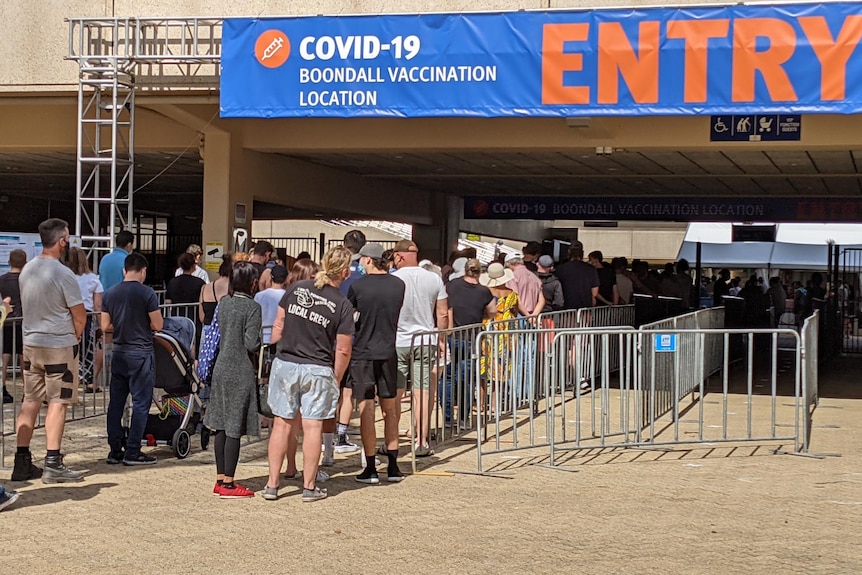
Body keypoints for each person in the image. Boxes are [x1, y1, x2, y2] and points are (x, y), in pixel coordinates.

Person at [264, 248, 354, 502]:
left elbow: (279, 325)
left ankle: (272, 484)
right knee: (312, 427)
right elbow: (344, 349)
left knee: (281, 424)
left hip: (286, 362)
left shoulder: (296, 288)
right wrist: (336, 378)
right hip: (318, 367)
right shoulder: (342, 304)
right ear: (345, 272)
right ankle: (309, 486)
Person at [12, 218, 86, 483]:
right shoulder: (63, 274)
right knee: (58, 401)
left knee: (30, 400)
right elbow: (79, 315)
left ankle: (21, 460)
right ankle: (53, 461)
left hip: (31, 343)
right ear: (62, 241)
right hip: (58, 344)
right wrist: (75, 337)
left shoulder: (27, 269)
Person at [346, 243, 406, 484]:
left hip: (363, 352)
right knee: (390, 409)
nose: (360, 264)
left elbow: (349, 318)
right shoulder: (398, 285)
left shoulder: (358, 286)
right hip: (389, 350)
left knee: (366, 409)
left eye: (362, 260)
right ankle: (393, 464)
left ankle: (370, 466)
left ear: (368, 260)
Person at [204, 262, 262, 498]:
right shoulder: (252, 307)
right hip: (240, 369)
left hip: (221, 367)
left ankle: (220, 478)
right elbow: (251, 343)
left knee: (220, 424)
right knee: (234, 427)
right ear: (252, 283)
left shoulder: (223, 303)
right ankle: (229, 482)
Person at [101, 252, 163, 466]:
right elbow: (158, 325)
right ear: (143, 271)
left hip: (118, 351)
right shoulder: (147, 293)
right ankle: (134, 449)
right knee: (140, 403)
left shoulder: (109, 294)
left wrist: (122, 325)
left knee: (116, 403)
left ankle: (115, 448)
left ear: (124, 270)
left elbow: (104, 326)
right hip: (141, 352)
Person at [392, 239, 449, 457]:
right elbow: (442, 313)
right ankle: (422, 440)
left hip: (399, 340)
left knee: (395, 392)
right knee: (423, 390)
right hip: (425, 339)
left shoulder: (394, 279)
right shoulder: (434, 278)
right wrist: (441, 338)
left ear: (399, 256)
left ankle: (393, 439)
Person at [445, 258, 495, 425]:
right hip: (472, 337)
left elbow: (446, 305)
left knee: (448, 377)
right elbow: (492, 311)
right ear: (480, 272)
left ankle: (447, 416)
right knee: (466, 378)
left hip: (452, 335)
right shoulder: (484, 291)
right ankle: (463, 418)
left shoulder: (452, 285)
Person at [333, 229, 367, 454]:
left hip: (328, 336)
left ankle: (327, 437)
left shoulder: (333, 273)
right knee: (347, 390)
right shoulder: (364, 274)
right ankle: (341, 433)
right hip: (354, 336)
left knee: (331, 388)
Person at [479, 263, 518, 415]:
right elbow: (514, 312)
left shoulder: (486, 292)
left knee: (483, 367)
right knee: (500, 369)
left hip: (487, 330)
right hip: (505, 333)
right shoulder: (512, 294)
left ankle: (481, 402)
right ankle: (495, 404)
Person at [67, 248, 104, 393]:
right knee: (87, 350)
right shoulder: (93, 278)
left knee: (69, 351)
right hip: (86, 316)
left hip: (67, 315)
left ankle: (70, 383)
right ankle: (89, 379)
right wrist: (101, 325)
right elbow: (98, 305)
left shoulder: (66, 277)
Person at [1, 248, 26, 403]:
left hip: (7, 321)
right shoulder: (26, 280)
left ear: (9, 262)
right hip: (24, 322)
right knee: (25, 358)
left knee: (5, 356)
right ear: (26, 263)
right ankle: (27, 390)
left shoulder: (1, 279)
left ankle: (2, 387)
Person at [555, 241, 599, 310]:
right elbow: (595, 293)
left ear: (569, 252)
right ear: (582, 253)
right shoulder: (591, 269)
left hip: (566, 308)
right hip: (585, 308)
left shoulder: (560, 269)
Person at [199, 254, 232, 340]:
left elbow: (202, 317)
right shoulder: (234, 288)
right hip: (227, 333)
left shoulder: (205, 288)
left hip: (208, 332)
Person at [505, 251, 545, 318]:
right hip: (534, 316)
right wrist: (534, 316)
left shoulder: (513, 277)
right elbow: (541, 300)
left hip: (519, 315)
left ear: (509, 264)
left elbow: (516, 299)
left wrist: (528, 316)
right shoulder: (535, 277)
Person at [254, 264, 288, 345]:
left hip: (261, 336)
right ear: (286, 279)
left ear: (270, 278)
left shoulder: (259, 296)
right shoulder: (288, 296)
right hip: (280, 337)